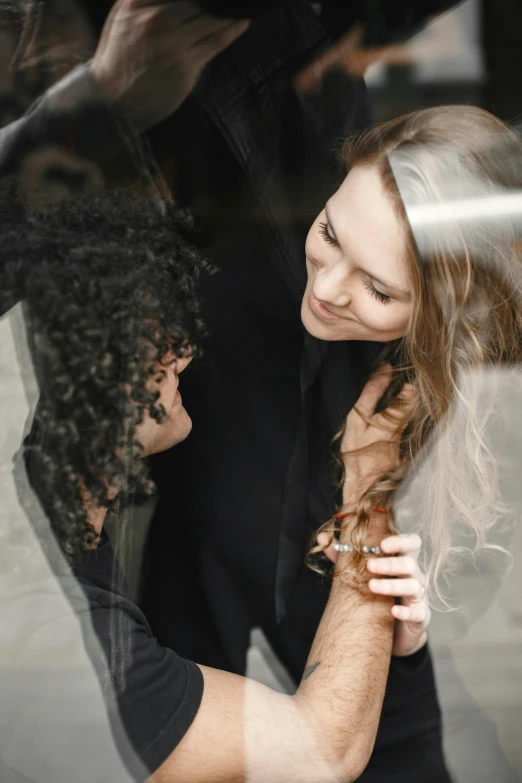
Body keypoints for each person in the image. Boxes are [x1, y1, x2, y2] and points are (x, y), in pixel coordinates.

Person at [0, 3, 462, 781]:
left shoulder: (67, 484)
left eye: (380, 284)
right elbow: (321, 749)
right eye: (169, 343)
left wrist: (397, 643)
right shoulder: (72, 630)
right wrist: (368, 489)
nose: (191, 347)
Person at [301, 104, 522, 601]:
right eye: (330, 234)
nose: (328, 288)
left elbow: (472, 591)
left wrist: (414, 625)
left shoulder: (490, 408)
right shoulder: (215, 313)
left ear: (445, 315)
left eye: (379, 290)